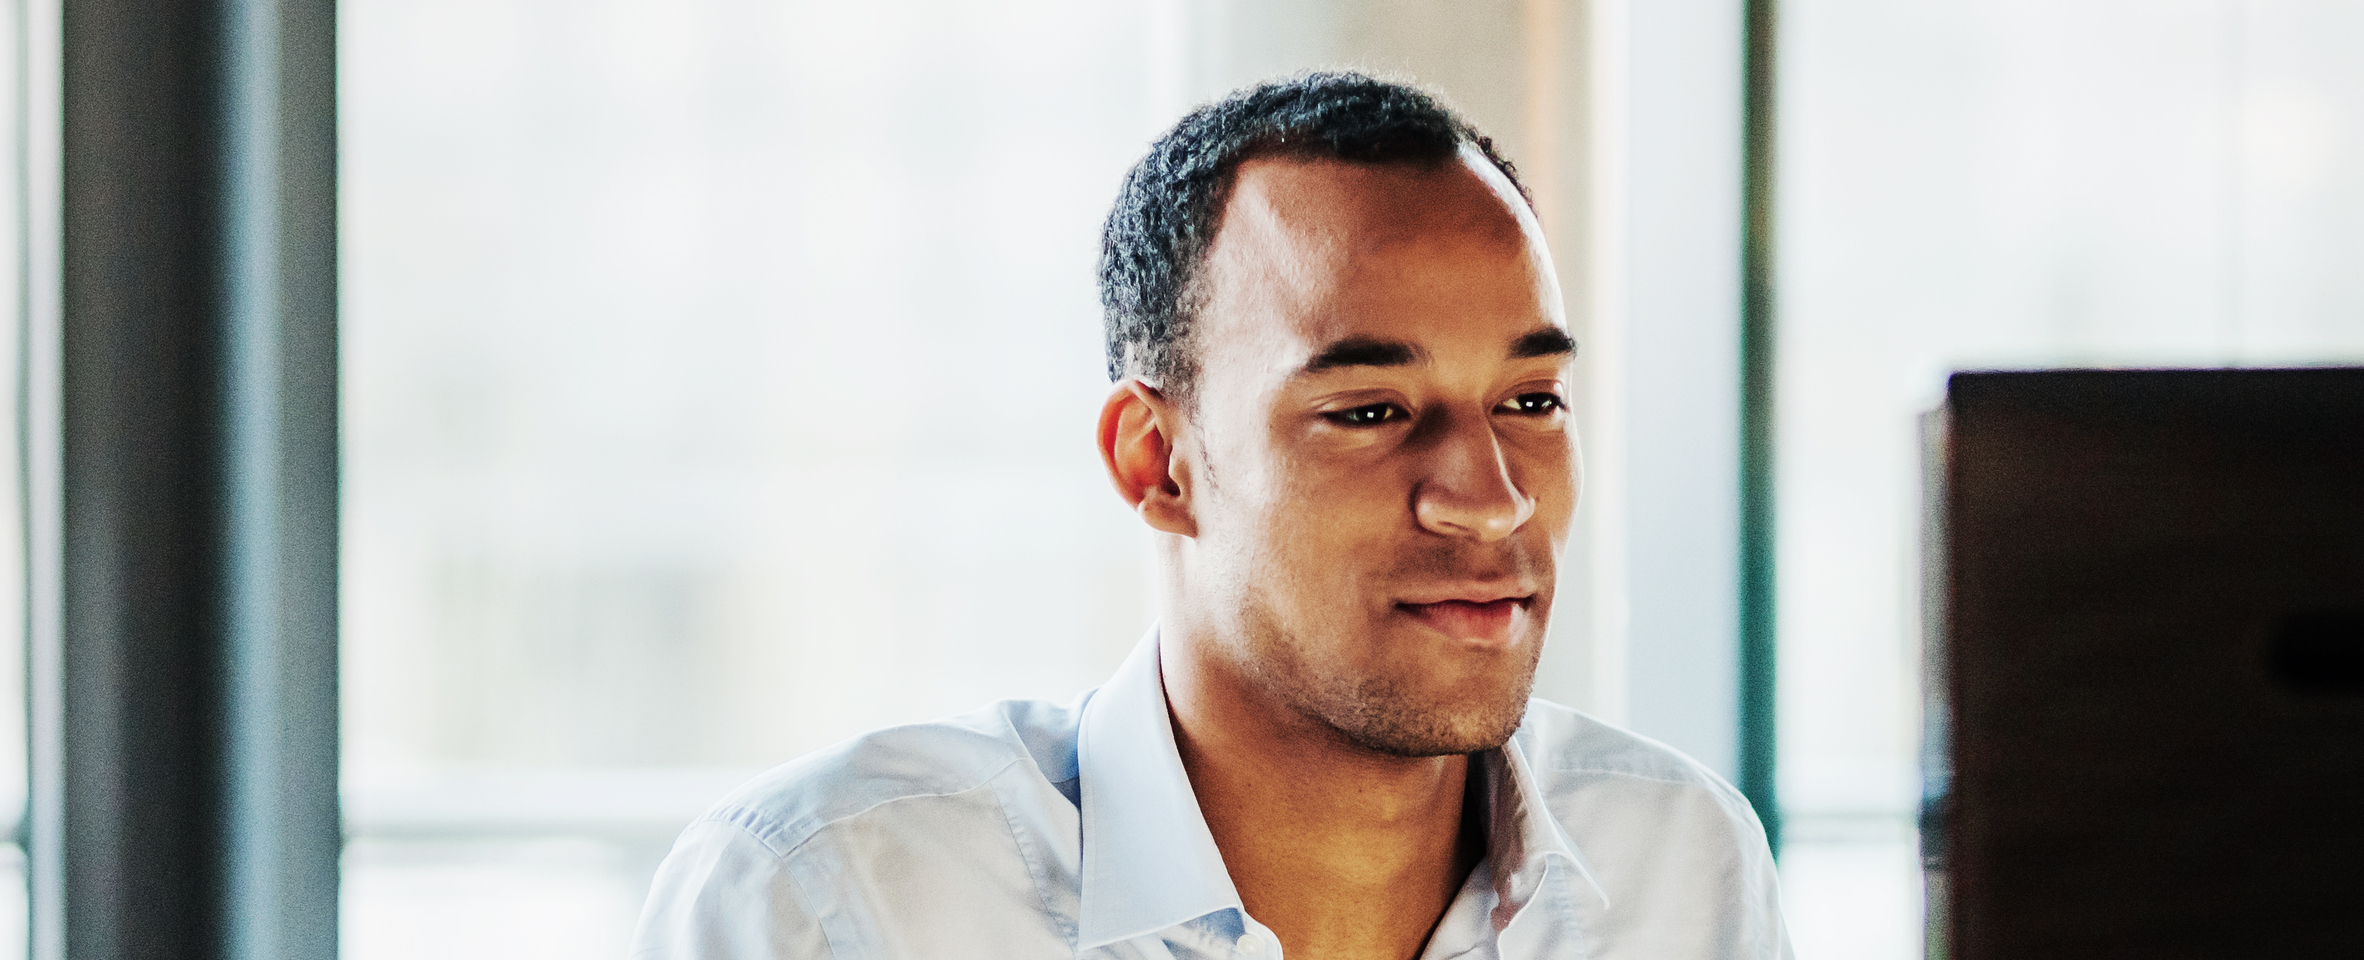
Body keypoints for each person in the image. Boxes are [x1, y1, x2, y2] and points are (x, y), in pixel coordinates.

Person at [633, 72, 1789, 960]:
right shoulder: (840, 897)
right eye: (1372, 410)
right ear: (1159, 462)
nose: (1490, 499)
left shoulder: (1679, 865)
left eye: (1531, 399)